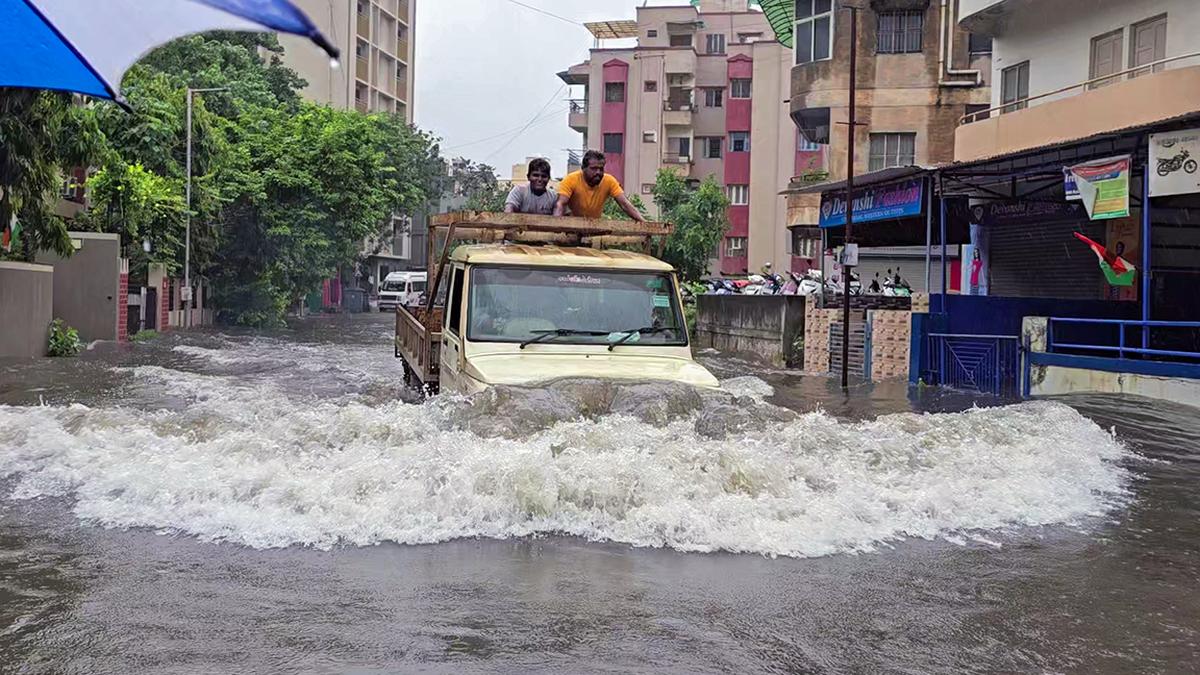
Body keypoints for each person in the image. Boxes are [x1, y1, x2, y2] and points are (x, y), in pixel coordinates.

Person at [554, 150, 645, 221]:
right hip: (571, 226)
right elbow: (560, 204)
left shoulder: (609, 181)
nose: (598, 172)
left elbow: (624, 204)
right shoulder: (570, 180)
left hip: (594, 226)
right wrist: (555, 228)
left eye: (601, 169)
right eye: (593, 169)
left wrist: (644, 223)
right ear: (583, 168)